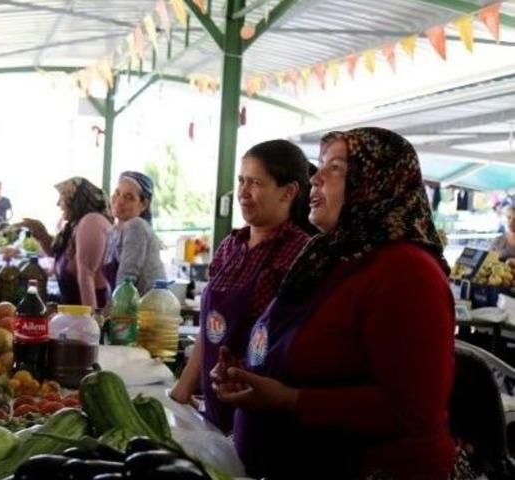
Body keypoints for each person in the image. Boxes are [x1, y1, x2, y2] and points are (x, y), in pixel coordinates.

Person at [215, 128, 455, 478]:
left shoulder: (408, 271)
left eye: (337, 168)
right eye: (321, 165)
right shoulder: (329, 256)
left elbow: (412, 409)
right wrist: (249, 373)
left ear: (377, 183)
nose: (316, 177)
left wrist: (287, 399)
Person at [169, 139, 313, 434]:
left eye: (256, 183)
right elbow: (209, 330)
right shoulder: (231, 246)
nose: (243, 192)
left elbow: (294, 344)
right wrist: (182, 391)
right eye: (241, 181)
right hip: (215, 401)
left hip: (261, 411)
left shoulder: (299, 252)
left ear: (288, 191)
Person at [22, 177, 112, 309]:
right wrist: (41, 233)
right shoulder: (74, 225)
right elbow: (58, 253)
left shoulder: (91, 222)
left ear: (75, 199)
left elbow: (87, 277)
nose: (58, 203)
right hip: (74, 316)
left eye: (62, 196)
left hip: (87, 316)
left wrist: (91, 319)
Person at [104, 170, 166, 293]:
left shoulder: (136, 226)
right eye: (117, 193)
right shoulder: (113, 231)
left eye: (129, 197)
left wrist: (115, 303)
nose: (119, 201)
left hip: (146, 303)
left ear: (144, 205)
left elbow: (126, 278)